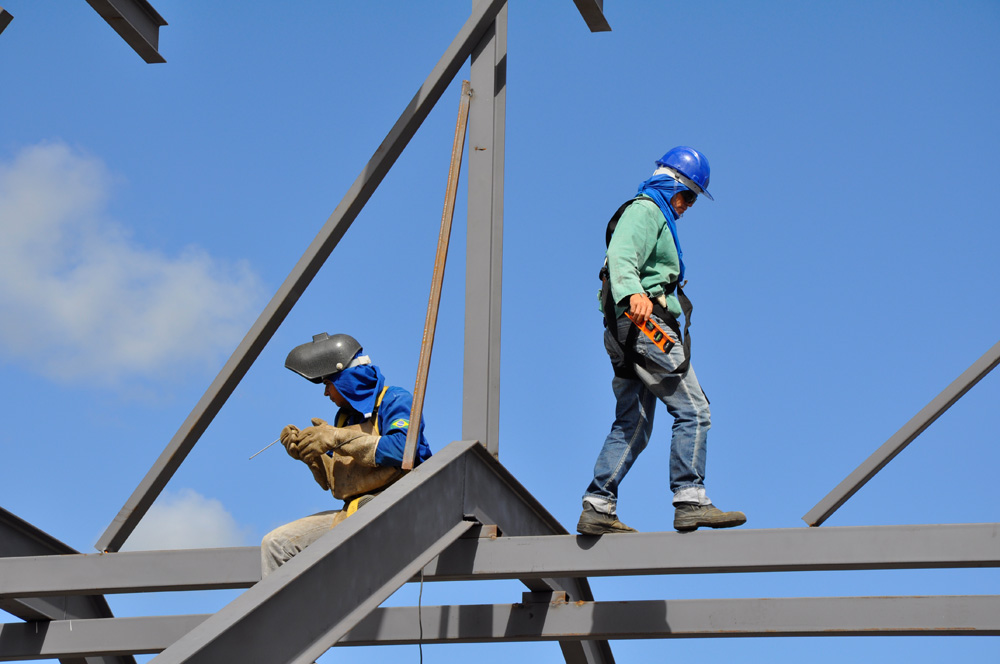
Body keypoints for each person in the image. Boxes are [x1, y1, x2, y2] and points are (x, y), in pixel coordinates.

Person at [578, 146, 746, 535]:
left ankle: (598, 505)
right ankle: (691, 499)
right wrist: (633, 293)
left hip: (622, 331)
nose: (687, 206)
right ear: (670, 184)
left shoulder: (655, 213)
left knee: (633, 422)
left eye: (693, 200)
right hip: (645, 325)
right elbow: (621, 254)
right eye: (687, 196)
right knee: (695, 409)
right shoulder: (647, 210)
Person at [261, 332, 431, 575]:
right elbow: (339, 481)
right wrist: (309, 454)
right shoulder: (344, 418)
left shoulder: (394, 400)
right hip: (352, 514)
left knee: (364, 513)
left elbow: (403, 448)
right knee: (276, 544)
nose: (326, 393)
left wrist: (336, 438)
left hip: (401, 507)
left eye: (327, 384)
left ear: (344, 380)